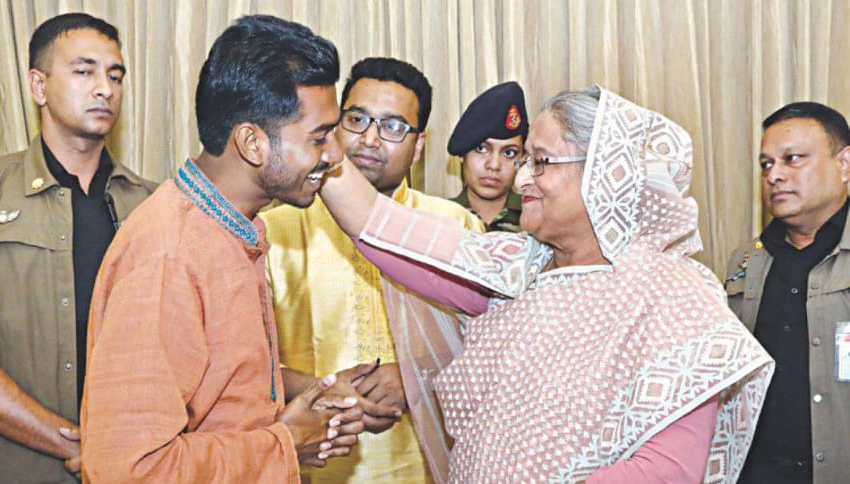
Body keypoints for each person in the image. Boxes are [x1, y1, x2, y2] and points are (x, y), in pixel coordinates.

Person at [318, 86, 774, 482]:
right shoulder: (519, 267)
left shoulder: (673, 297)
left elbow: (666, 471)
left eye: (540, 162)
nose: (520, 180)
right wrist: (315, 139)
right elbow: (381, 227)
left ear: (602, 173)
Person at [79, 16, 393, 481]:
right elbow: (129, 470)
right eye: (319, 137)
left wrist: (311, 397)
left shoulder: (227, 227)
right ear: (252, 143)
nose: (334, 155)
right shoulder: (169, 256)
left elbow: (220, 393)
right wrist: (286, 444)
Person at [262, 57, 483, 484]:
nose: (369, 139)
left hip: (430, 468)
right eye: (356, 120)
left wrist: (418, 375)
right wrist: (321, 387)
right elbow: (245, 370)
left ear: (419, 145)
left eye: (393, 126)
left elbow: (493, 353)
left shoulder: (455, 227)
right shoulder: (276, 231)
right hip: (313, 467)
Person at [0, 13, 156, 482]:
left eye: (115, 76)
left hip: (134, 466)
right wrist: (71, 443)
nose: (105, 89)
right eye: (85, 71)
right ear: (38, 85)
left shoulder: (155, 206)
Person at [725, 102, 850, 484]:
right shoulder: (747, 259)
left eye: (792, 159)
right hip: (755, 471)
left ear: (845, 164)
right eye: (766, 164)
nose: (774, 175)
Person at [448, 81, 526, 232]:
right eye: (481, 149)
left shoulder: (539, 221)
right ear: (463, 155)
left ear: (522, 159)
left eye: (509, 153)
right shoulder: (440, 218)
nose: (494, 165)